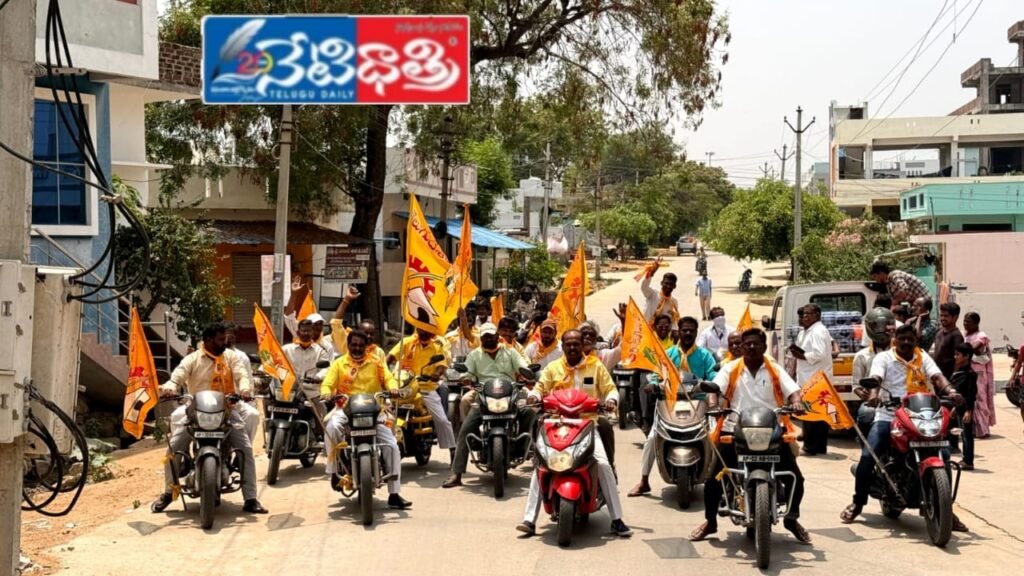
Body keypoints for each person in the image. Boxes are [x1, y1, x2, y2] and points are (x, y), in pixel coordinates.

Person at [840, 324, 967, 532]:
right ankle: (858, 502)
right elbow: (876, 379)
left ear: (915, 340)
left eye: (910, 339)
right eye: (902, 339)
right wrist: (873, 396)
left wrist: (951, 390)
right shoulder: (883, 359)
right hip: (889, 415)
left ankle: (946, 509)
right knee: (867, 457)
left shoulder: (922, 356)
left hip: (921, 414)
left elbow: (936, 377)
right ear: (894, 340)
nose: (906, 343)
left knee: (943, 453)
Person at [689, 328, 809, 543]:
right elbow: (714, 389)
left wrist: (797, 401)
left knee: (795, 478)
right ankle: (711, 522)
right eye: (747, 344)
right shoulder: (731, 369)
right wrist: (714, 405)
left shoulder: (774, 369)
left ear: (764, 347)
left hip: (771, 429)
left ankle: (791, 518)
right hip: (735, 428)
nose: (752, 347)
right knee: (713, 477)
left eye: (756, 344)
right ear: (741, 347)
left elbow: (793, 390)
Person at [516, 330, 632, 538]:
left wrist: (612, 400)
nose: (572, 348)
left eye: (576, 344)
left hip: (587, 425)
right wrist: (534, 396)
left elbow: (611, 389)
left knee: (603, 465)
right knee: (541, 466)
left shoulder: (596, 366)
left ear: (582, 345)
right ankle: (529, 520)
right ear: (563, 346)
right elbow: (540, 387)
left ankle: (617, 519)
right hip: (556, 424)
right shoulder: (553, 368)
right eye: (568, 344)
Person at [152, 322, 267, 515]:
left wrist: (245, 389)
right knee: (173, 448)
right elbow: (178, 375)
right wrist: (170, 386)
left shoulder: (231, 357)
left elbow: (241, 376)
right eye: (221, 339)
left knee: (245, 449)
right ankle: (168, 492)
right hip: (195, 409)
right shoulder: (192, 359)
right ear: (208, 340)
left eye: (226, 338)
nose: (225, 342)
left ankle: (250, 498)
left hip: (228, 409)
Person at [320, 330, 411, 509]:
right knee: (331, 427)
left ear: (366, 347)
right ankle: (334, 470)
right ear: (349, 345)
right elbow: (327, 383)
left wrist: (393, 389)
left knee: (392, 446)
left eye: (361, 345)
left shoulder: (377, 363)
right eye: (354, 344)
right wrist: (326, 393)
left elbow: (389, 379)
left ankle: (394, 493)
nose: (357, 348)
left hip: (375, 411)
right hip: (345, 409)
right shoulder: (339, 364)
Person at [628, 316, 718, 497]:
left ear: (696, 332)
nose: (687, 333)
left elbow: (713, 375)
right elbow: (656, 374)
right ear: (678, 331)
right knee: (652, 438)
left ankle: (719, 483)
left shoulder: (705, 355)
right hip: (669, 402)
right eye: (684, 330)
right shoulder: (668, 354)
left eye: (691, 330)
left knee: (715, 437)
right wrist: (652, 383)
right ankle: (644, 481)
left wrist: (710, 384)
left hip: (698, 403)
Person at [443, 323, 534, 489]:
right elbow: (468, 372)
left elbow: (523, 367)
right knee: (466, 428)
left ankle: (524, 446)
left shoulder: (510, 351)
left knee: (530, 410)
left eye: (491, 335)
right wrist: (466, 378)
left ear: (496, 335)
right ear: (482, 338)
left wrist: (527, 374)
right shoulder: (475, 355)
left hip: (511, 393)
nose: (489, 338)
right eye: (485, 336)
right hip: (483, 394)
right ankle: (456, 473)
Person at [387, 327, 456, 459]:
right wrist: (383, 372)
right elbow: (390, 358)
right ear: (417, 329)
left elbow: (441, 365)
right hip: (404, 388)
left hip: (426, 387)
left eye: (426, 330)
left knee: (441, 419)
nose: (424, 332)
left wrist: (436, 374)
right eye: (421, 329)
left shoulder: (437, 346)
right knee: (385, 413)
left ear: (432, 332)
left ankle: (453, 449)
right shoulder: (406, 342)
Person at [791, 304, 833, 456]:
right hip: (807, 378)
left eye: (808, 314)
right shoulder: (806, 331)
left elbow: (819, 353)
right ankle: (815, 445)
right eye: (803, 315)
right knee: (811, 414)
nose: (804, 317)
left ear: (817, 315)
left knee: (815, 415)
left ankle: (813, 447)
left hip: (817, 380)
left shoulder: (818, 331)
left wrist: (801, 356)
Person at [852, 308, 897, 435]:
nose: (882, 330)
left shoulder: (901, 352)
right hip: (875, 404)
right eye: (877, 326)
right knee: (866, 414)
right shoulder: (862, 356)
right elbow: (856, 386)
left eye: (885, 325)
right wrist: (867, 397)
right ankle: (865, 446)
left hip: (899, 401)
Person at [223, 323, 262, 444]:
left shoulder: (241, 357)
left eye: (232, 335)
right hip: (209, 401)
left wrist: (248, 397)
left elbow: (247, 380)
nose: (228, 338)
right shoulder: (205, 353)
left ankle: (244, 450)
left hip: (235, 402)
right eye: (225, 334)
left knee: (253, 415)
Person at [962, 312, 995, 438]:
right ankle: (973, 428)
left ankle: (983, 429)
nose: (965, 324)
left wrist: (962, 347)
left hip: (979, 373)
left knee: (980, 400)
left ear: (976, 323)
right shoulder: (966, 335)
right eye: (964, 321)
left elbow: (973, 348)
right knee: (970, 400)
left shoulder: (981, 336)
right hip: (968, 372)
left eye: (968, 321)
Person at [283, 318, 332, 401]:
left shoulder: (320, 351)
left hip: (312, 392)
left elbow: (326, 369)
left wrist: (318, 377)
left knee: (322, 413)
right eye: (303, 331)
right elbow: (275, 361)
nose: (306, 333)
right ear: (298, 333)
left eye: (309, 331)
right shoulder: (286, 349)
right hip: (289, 390)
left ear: (313, 333)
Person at [950, 343, 978, 470]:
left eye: (958, 355)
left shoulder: (970, 374)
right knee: (963, 434)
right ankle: (965, 458)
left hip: (966, 408)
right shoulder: (960, 371)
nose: (955, 357)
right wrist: (956, 408)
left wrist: (969, 410)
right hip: (960, 407)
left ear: (966, 356)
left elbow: (971, 394)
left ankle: (968, 461)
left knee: (967, 435)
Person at [641, 256, 679, 325]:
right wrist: (651, 274)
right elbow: (644, 287)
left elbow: (673, 321)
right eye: (666, 283)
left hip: (662, 334)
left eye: (671, 284)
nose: (668, 286)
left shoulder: (674, 302)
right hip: (647, 331)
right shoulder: (652, 294)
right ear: (661, 283)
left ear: (674, 286)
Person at [931, 302, 964, 379]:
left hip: (949, 379)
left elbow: (959, 360)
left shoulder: (956, 336)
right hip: (938, 376)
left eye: (946, 316)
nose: (942, 318)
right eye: (941, 315)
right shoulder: (939, 333)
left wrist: (954, 378)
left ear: (955, 317)